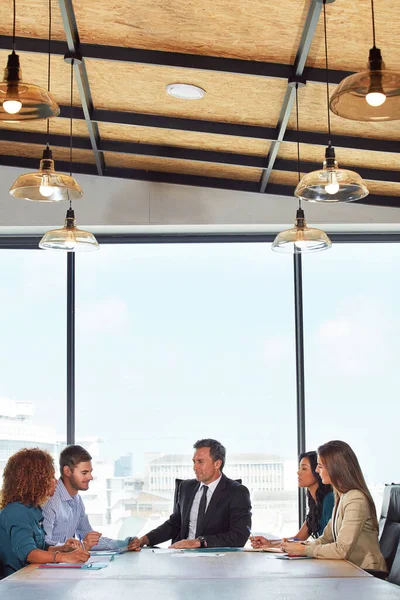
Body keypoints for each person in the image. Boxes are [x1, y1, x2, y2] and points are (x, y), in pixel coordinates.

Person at [282, 440, 387, 571]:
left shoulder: (355, 498)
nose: (316, 470)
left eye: (320, 466)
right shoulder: (341, 496)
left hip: (367, 573)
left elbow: (342, 549)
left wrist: (305, 549)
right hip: (350, 570)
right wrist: (297, 547)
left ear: (334, 467)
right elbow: (325, 538)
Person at [129, 438, 252, 550]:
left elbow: (239, 536)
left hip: (216, 560)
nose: (195, 467)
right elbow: (174, 524)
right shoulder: (186, 487)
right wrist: (144, 540)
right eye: (194, 462)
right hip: (181, 556)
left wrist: (199, 542)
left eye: (200, 462)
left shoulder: (237, 492)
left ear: (217, 464)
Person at [0, 448, 89, 578]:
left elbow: (39, 548)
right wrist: (65, 557)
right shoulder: (16, 512)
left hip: (30, 578)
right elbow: (30, 553)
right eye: (51, 477)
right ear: (35, 481)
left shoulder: (33, 509)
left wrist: (62, 548)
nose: (56, 481)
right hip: (15, 584)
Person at [42, 445, 124, 551]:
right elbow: (43, 545)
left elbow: (88, 539)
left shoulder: (77, 500)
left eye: (90, 472)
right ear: (67, 471)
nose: (90, 477)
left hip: (66, 563)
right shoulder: (51, 500)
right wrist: (81, 546)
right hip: (47, 565)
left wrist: (124, 543)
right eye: (84, 473)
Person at [251, 451, 334, 548]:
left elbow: (331, 542)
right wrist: (268, 543)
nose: (298, 472)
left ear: (317, 471)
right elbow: (298, 538)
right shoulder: (314, 504)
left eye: (304, 468)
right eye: (299, 468)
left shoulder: (329, 500)